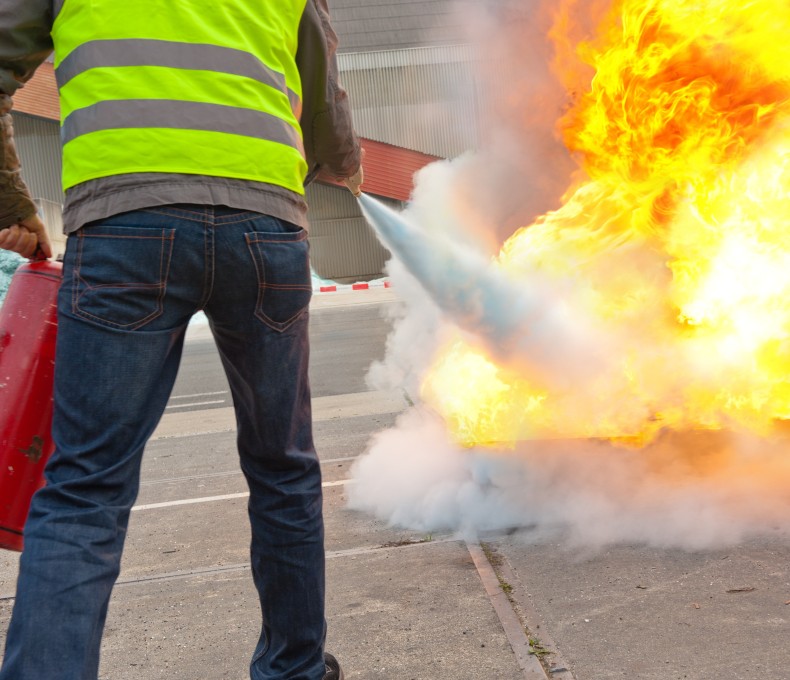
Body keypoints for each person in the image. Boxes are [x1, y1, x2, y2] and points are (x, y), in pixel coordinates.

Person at [0, 1, 364, 678]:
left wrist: (9, 204)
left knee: (86, 489)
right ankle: (295, 667)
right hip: (264, 227)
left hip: (124, 224)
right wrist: (324, 171)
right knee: (283, 466)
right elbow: (326, 113)